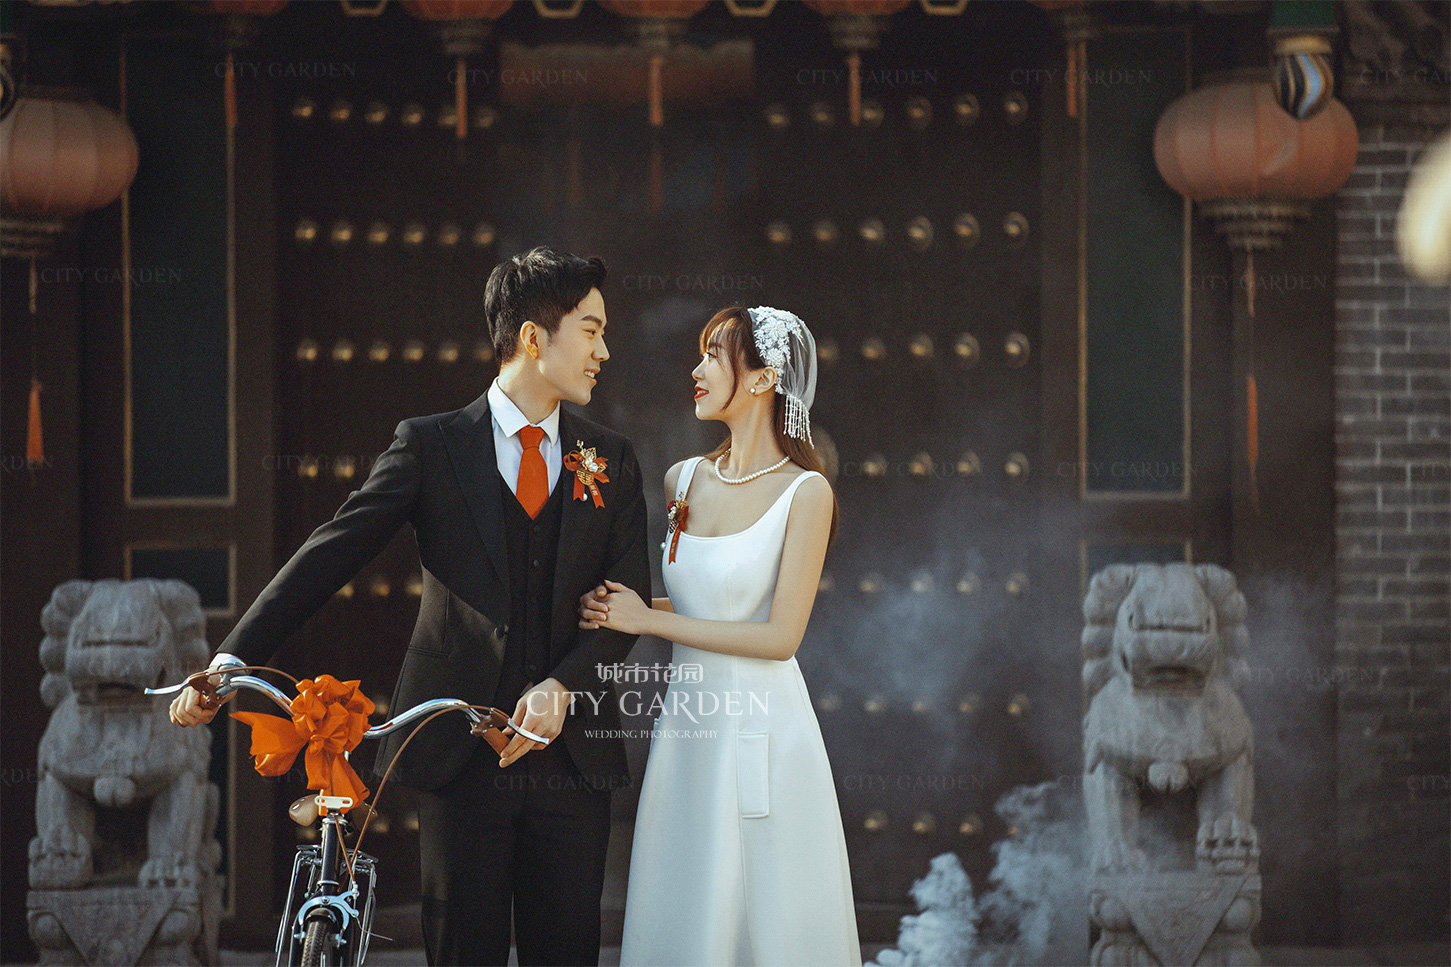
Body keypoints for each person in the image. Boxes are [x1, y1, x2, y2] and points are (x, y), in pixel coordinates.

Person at [170, 246, 652, 967]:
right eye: (591, 330)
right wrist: (231, 658)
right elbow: (331, 552)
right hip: (456, 753)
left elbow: (626, 601)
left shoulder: (610, 456)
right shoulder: (431, 445)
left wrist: (563, 684)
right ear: (532, 337)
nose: (603, 351)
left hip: (571, 762)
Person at [579, 305, 862, 966]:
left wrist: (647, 619)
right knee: (685, 894)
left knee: (765, 912)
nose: (696, 369)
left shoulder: (806, 492)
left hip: (765, 731)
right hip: (687, 727)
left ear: (763, 379)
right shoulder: (683, 479)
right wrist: (618, 606)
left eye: (713, 355)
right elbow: (699, 604)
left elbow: (780, 636)